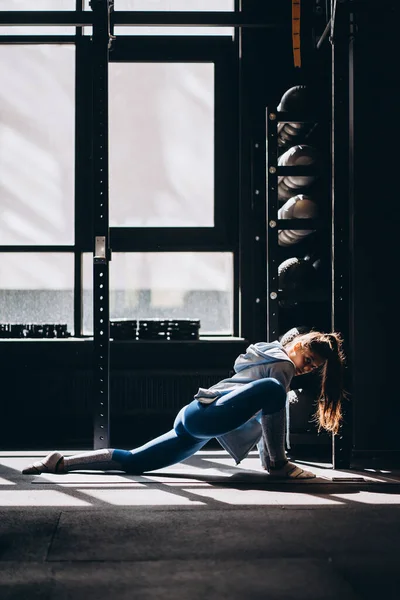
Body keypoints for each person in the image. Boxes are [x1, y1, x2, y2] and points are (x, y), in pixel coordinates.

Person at [22, 329, 347, 479]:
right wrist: (277, 463)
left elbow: (266, 417)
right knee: (275, 392)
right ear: (300, 344)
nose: (306, 367)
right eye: (309, 358)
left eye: (314, 367)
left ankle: (62, 463)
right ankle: (279, 466)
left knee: (135, 461)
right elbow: (270, 410)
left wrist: (269, 458)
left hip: (197, 422)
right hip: (206, 415)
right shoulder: (282, 367)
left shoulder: (274, 358)